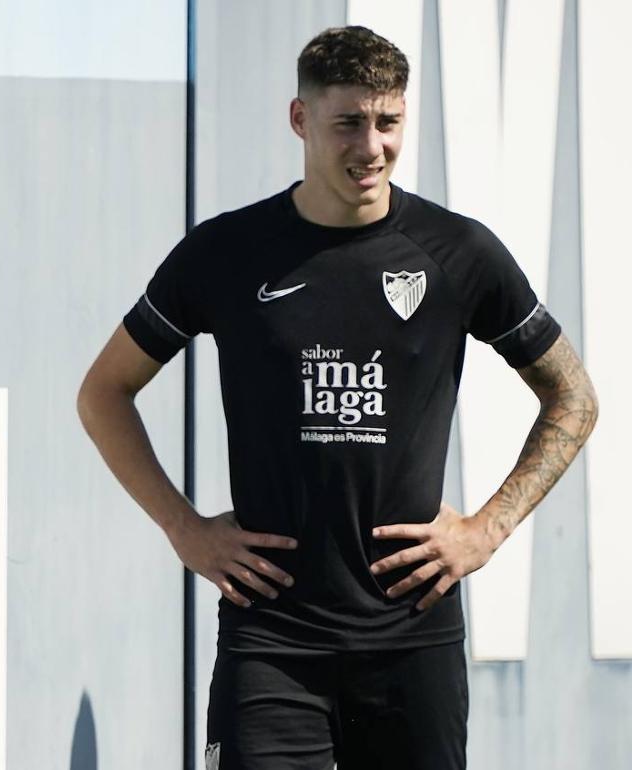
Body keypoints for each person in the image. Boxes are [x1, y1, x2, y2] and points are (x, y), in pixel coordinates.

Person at [77, 25, 597, 770]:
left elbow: (574, 398)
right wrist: (183, 528)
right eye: (348, 122)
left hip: (414, 639)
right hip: (272, 641)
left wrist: (487, 529)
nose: (373, 146)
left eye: (389, 122)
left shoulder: (460, 253)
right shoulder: (226, 252)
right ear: (300, 119)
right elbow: (104, 393)